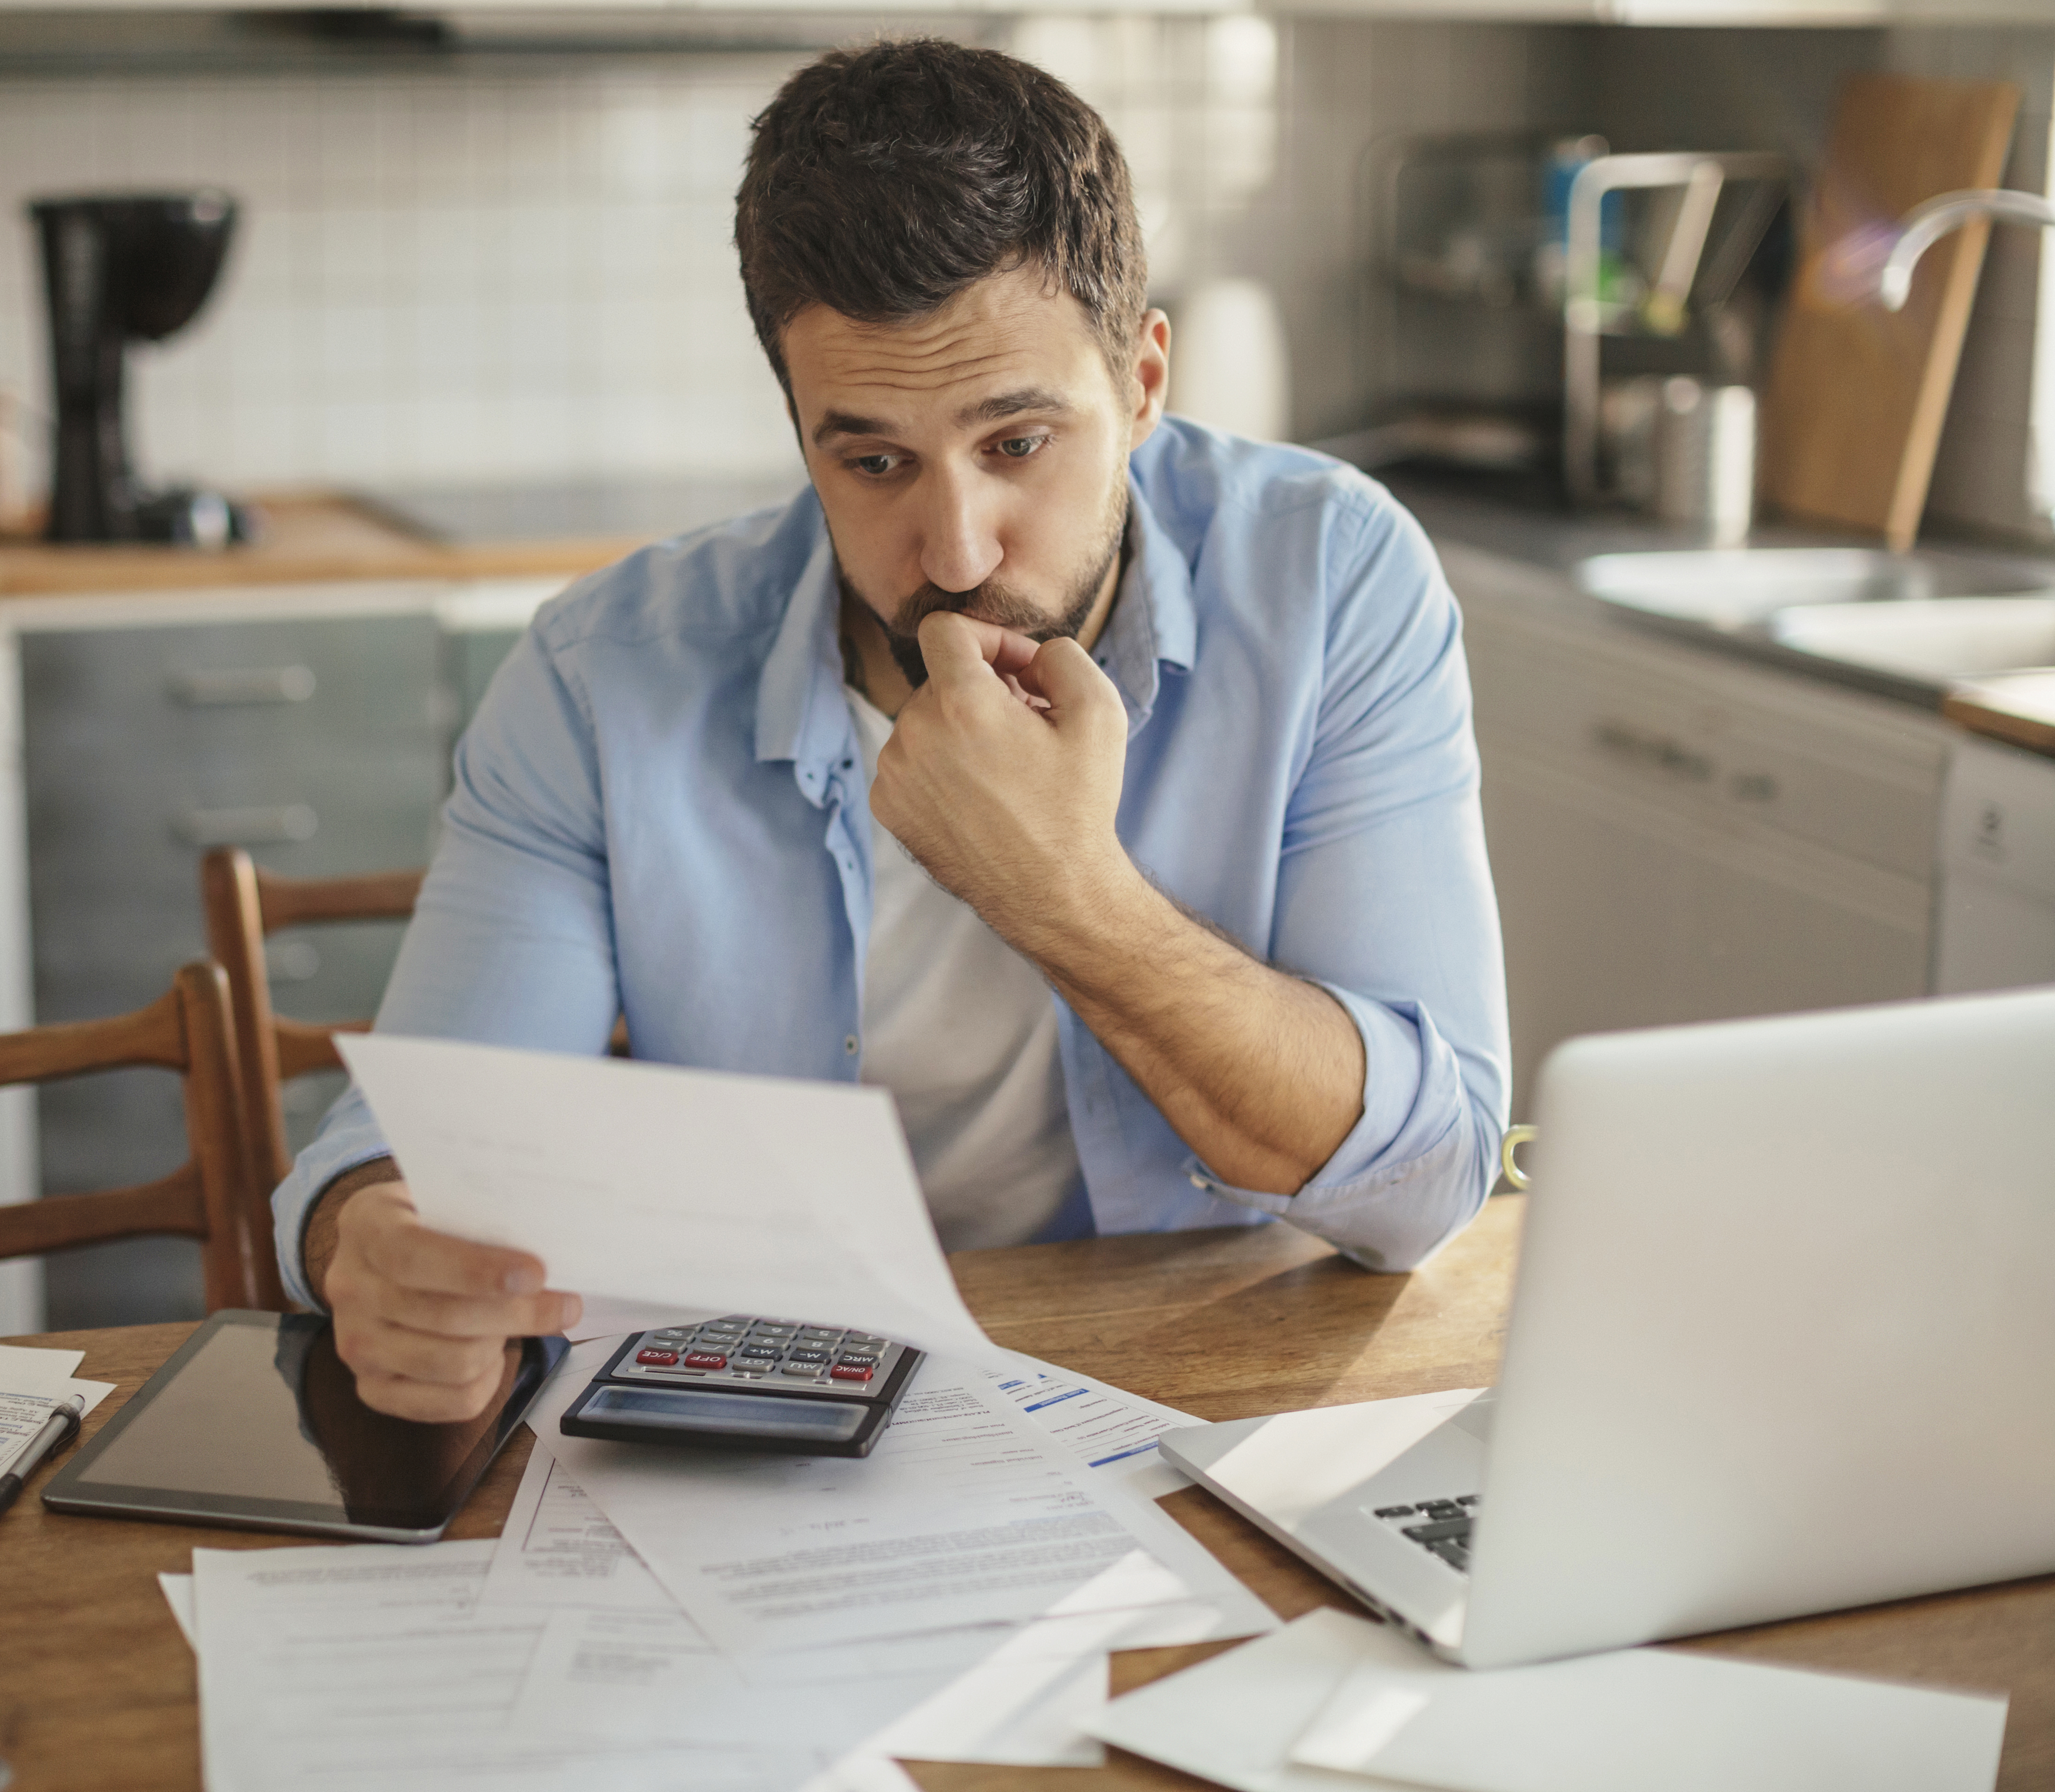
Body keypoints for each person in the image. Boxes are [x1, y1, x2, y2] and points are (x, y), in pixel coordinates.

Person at [276, 39, 1510, 1421]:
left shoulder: (1333, 577)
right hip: (775, 1419)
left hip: (1213, 1394)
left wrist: (1066, 896)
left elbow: (1429, 1188)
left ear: (1146, 382)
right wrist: (368, 1244)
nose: (956, 544)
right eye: (870, 461)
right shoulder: (601, 673)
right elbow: (419, 1149)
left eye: (1019, 442)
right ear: (799, 429)